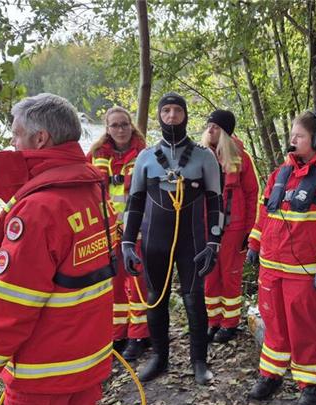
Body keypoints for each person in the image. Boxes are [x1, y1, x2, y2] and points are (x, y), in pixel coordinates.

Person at [0, 93, 116, 405]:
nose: (11, 144)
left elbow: (10, 309)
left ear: (40, 139)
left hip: (43, 373)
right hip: (88, 361)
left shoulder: (38, 210)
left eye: (15, 135)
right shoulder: (94, 191)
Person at [246, 110, 316, 405]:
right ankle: (271, 375)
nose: (292, 141)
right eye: (292, 135)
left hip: (306, 274)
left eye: (299, 136)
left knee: (306, 330)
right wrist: (255, 242)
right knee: (274, 325)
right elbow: (264, 211)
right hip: (272, 269)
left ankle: (309, 384)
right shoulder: (281, 173)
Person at [121, 92, 222, 385]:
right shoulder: (145, 158)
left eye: (177, 111)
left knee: (194, 297)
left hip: (193, 239)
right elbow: (135, 202)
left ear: (186, 115)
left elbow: (216, 202)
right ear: (159, 116)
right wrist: (128, 242)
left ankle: (199, 361)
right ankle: (159, 358)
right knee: (156, 298)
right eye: (166, 111)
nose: (172, 116)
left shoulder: (204, 156)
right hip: (155, 239)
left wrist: (214, 242)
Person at [88, 106, 150, 361]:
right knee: (113, 286)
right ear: (107, 128)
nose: (120, 130)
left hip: (137, 232)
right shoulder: (94, 155)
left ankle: (139, 335)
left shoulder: (145, 153)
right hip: (108, 233)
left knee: (137, 285)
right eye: (115, 125)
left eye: (124, 124)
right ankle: (118, 334)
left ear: (131, 125)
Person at [201, 110, 260, 343]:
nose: (210, 130)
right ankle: (213, 320)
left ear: (225, 131)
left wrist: (249, 230)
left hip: (233, 227)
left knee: (230, 275)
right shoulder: (202, 155)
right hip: (206, 226)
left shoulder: (240, 157)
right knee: (209, 275)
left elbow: (251, 194)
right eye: (209, 126)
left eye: (215, 126)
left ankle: (229, 323)